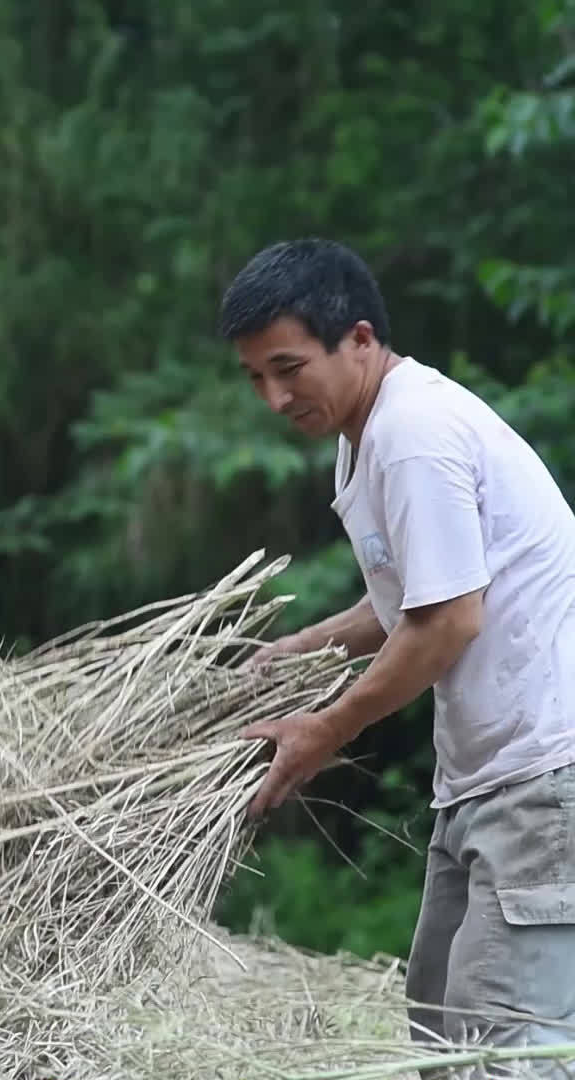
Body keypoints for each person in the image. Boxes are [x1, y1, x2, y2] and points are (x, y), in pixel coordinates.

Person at [221, 238, 575, 1075]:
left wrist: (325, 729)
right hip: (484, 784)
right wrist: (300, 649)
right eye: (256, 378)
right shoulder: (369, 436)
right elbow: (410, 600)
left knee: (505, 1055)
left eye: (288, 368)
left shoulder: (413, 432)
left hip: (543, 780)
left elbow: (448, 621)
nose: (274, 398)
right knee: (442, 1031)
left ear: (360, 339)